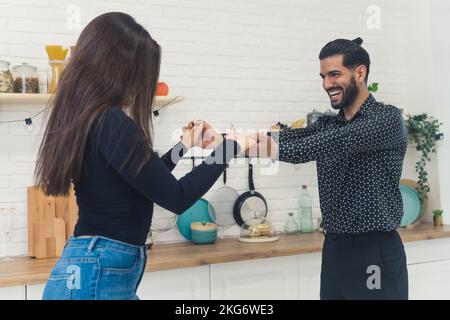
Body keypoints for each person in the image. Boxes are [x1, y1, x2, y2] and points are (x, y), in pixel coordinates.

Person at [35, 12, 255, 300]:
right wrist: (230, 146)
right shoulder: (111, 121)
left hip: (94, 266)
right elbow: (176, 197)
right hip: (97, 272)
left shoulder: (94, 118)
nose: (142, 85)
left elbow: (146, 180)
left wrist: (184, 146)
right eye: (142, 74)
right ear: (118, 69)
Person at [254, 38, 408, 300]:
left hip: (375, 252)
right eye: (323, 76)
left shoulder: (387, 119)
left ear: (360, 73)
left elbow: (333, 143)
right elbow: (287, 138)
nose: (327, 84)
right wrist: (227, 141)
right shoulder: (328, 125)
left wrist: (272, 148)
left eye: (335, 74)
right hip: (335, 250)